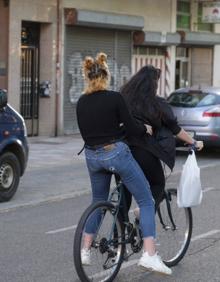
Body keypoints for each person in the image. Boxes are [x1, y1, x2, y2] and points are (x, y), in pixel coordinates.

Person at [76, 53, 172, 275]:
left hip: (92, 157)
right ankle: (149, 254)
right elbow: (130, 127)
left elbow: (89, 133)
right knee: (146, 199)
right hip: (116, 155)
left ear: (87, 77)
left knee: (98, 201)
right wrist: (144, 129)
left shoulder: (81, 102)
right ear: (106, 76)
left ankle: (85, 250)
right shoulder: (114, 98)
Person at [120, 65, 204, 211]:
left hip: (119, 149)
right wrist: (194, 142)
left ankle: (120, 229)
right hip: (143, 150)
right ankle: (143, 213)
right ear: (153, 83)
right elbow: (175, 129)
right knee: (157, 184)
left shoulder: (123, 98)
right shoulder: (156, 103)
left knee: (124, 187)